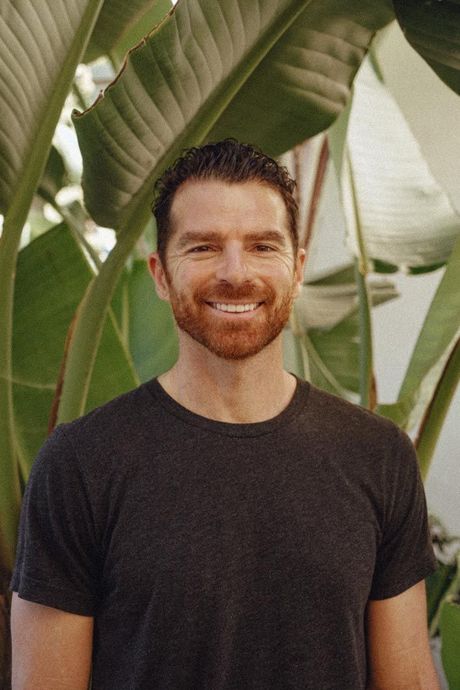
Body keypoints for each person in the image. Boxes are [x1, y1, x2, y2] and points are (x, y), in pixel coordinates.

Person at [11, 139, 440, 690]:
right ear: (161, 275)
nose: (236, 273)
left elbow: (407, 681)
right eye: (203, 248)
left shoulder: (378, 455)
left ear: (297, 268)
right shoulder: (80, 464)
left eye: (263, 246)